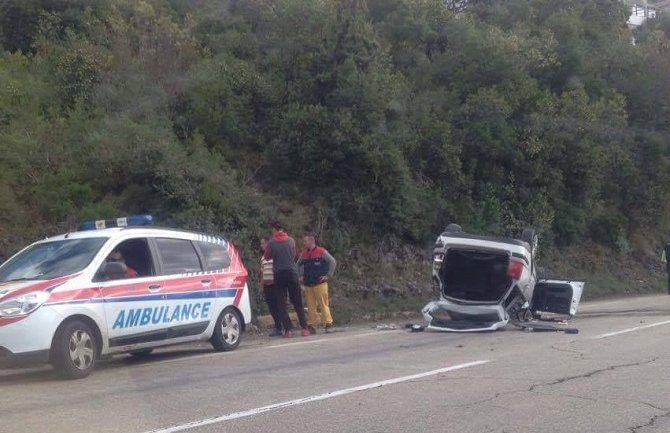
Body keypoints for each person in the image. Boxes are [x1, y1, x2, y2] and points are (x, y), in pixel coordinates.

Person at [263, 222, 309, 337]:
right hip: (292, 272)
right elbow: (294, 255)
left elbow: (267, 256)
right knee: (297, 301)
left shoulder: (272, 243)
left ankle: (288, 330)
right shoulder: (291, 241)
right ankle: (304, 328)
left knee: (282, 303)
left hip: (279, 274)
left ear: (275, 230)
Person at [298, 233, 337, 334]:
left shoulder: (321, 251)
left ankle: (328, 323)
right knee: (310, 306)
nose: (304, 243)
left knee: (323, 304)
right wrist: (300, 275)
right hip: (308, 284)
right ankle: (312, 325)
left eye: (305, 241)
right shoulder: (304, 254)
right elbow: (298, 265)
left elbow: (332, 261)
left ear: (311, 241)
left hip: (320, 283)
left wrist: (328, 275)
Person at [260, 238, 283, 336]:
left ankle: (284, 326)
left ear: (267, 244)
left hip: (275, 284)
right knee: (272, 307)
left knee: (279, 306)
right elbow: (262, 272)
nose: (261, 246)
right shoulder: (262, 258)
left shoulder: (275, 255)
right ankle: (277, 327)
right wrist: (261, 285)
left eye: (263, 244)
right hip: (267, 284)